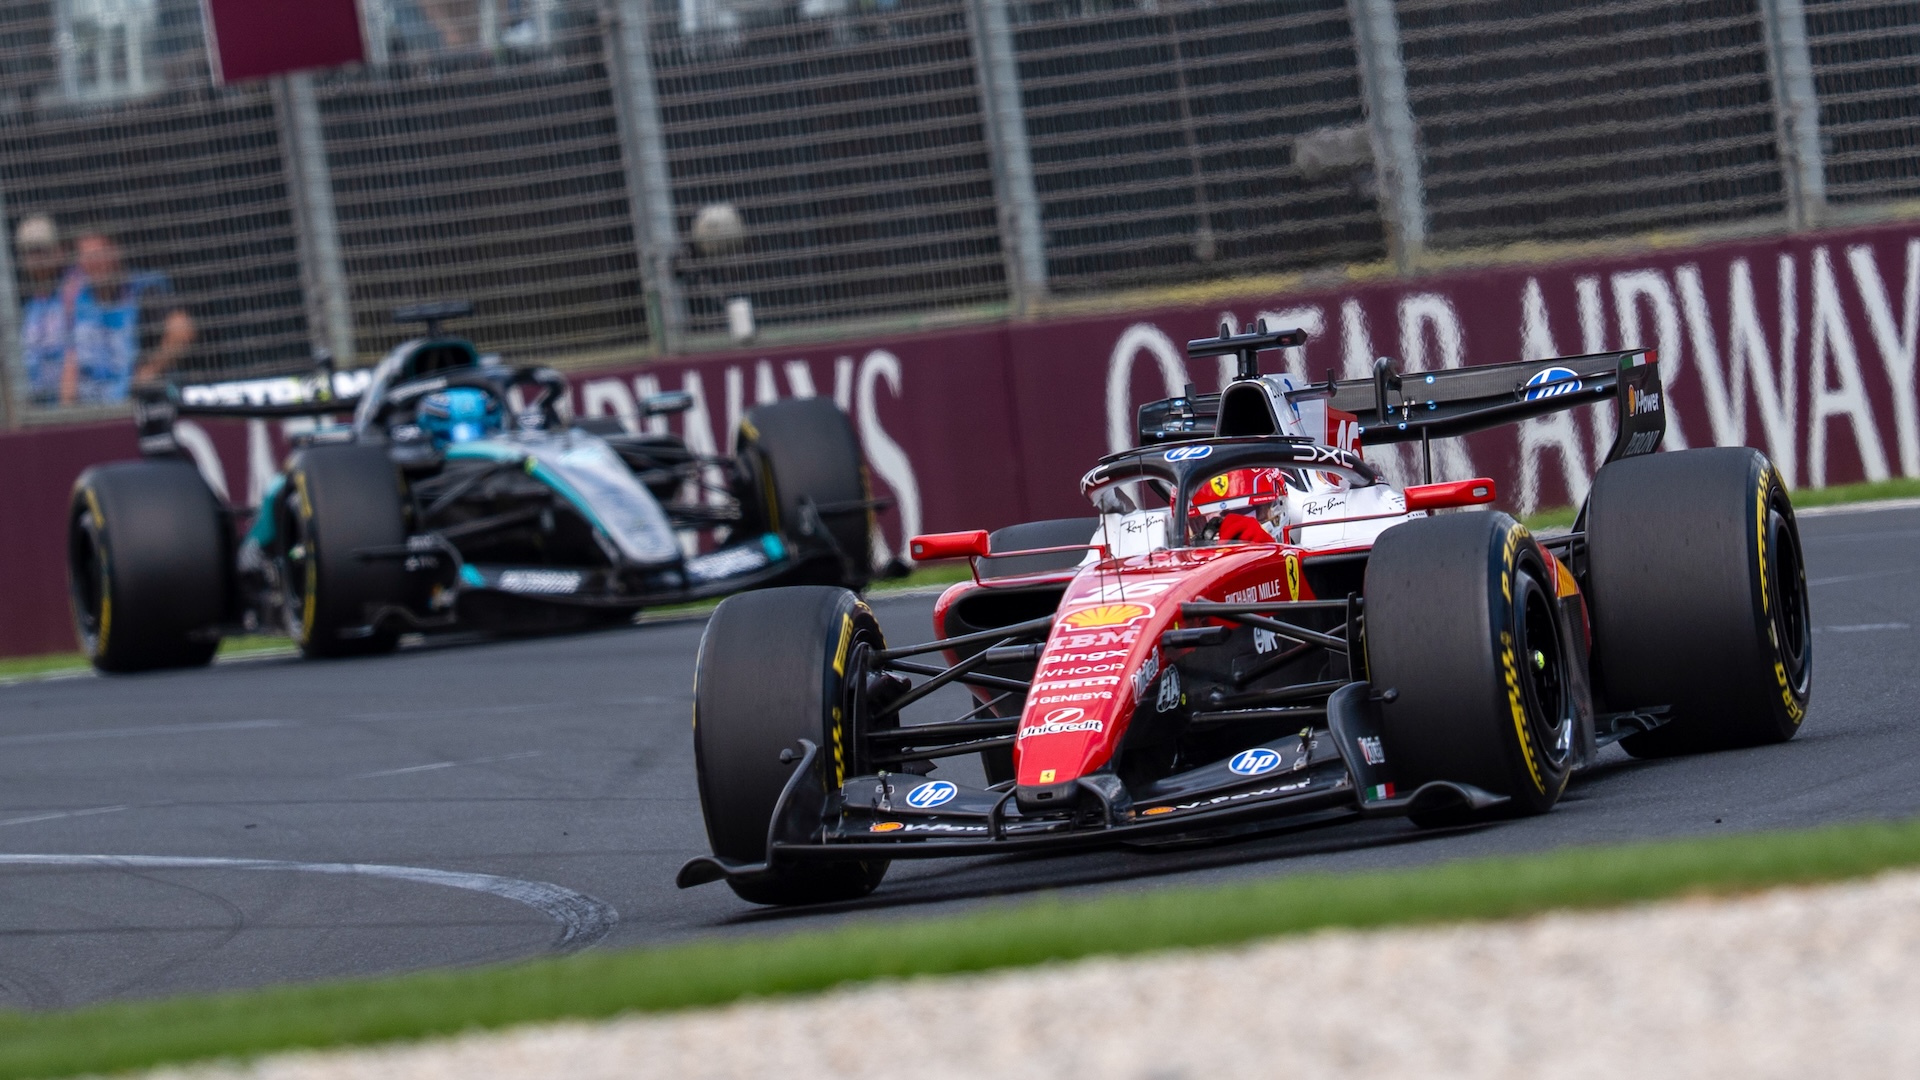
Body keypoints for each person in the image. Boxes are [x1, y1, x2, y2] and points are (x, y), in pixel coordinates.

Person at [60, 230, 195, 405]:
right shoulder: (80, 300)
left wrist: (150, 370)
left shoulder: (144, 290)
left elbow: (182, 331)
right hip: (91, 409)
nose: (93, 263)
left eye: (97, 256)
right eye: (85, 257)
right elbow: (72, 358)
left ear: (116, 253)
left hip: (136, 404)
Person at [15, 214, 79, 408]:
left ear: (59, 250)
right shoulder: (28, 307)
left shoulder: (77, 290)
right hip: (35, 408)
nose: (36, 259)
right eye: (29, 252)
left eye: (42, 250)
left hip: (74, 404)